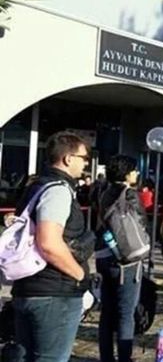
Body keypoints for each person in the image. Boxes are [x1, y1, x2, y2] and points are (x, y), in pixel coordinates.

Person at [12, 131, 95, 362]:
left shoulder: (35, 186)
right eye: (84, 158)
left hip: (29, 287)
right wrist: (79, 274)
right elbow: (48, 242)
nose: (85, 163)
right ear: (68, 159)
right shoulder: (58, 190)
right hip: (55, 293)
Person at [95, 154, 149, 362]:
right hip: (127, 260)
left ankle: (106, 356)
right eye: (134, 170)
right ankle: (124, 357)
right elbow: (141, 222)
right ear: (126, 173)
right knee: (126, 312)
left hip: (104, 255)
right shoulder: (130, 194)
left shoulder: (103, 192)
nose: (136, 173)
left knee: (107, 312)